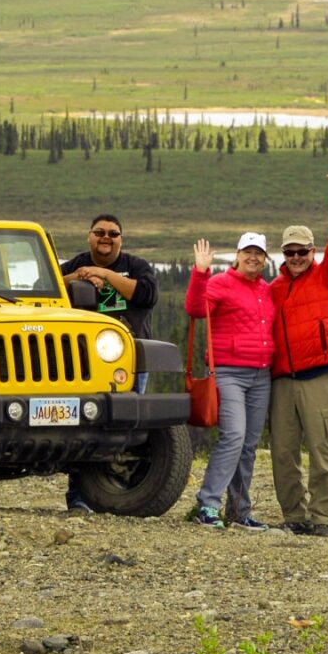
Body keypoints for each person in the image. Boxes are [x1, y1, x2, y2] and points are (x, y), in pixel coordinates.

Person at [268, 157, 328, 536]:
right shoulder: (271, 289)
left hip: (319, 375)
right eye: (290, 252)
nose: (297, 258)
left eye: (303, 251)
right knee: (283, 454)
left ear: (313, 251)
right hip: (282, 381)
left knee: (323, 450)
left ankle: (322, 518)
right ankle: (294, 516)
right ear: (282, 254)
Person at [61, 213, 159, 513]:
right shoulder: (73, 266)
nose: (106, 238)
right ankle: (79, 497)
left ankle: (124, 494)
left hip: (129, 362)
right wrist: (78, 277)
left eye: (113, 234)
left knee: (127, 429)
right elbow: (46, 291)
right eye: (99, 232)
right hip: (81, 363)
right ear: (89, 236)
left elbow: (146, 294)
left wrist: (106, 277)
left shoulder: (136, 267)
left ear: (121, 239)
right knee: (84, 427)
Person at [183, 230, 275, 529]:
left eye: (258, 253)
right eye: (247, 252)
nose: (253, 257)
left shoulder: (265, 289)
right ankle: (208, 505)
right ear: (237, 255)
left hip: (261, 375)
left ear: (264, 259)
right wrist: (200, 272)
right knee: (233, 436)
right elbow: (195, 309)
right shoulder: (219, 283)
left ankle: (239, 511)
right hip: (228, 372)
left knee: (248, 444)